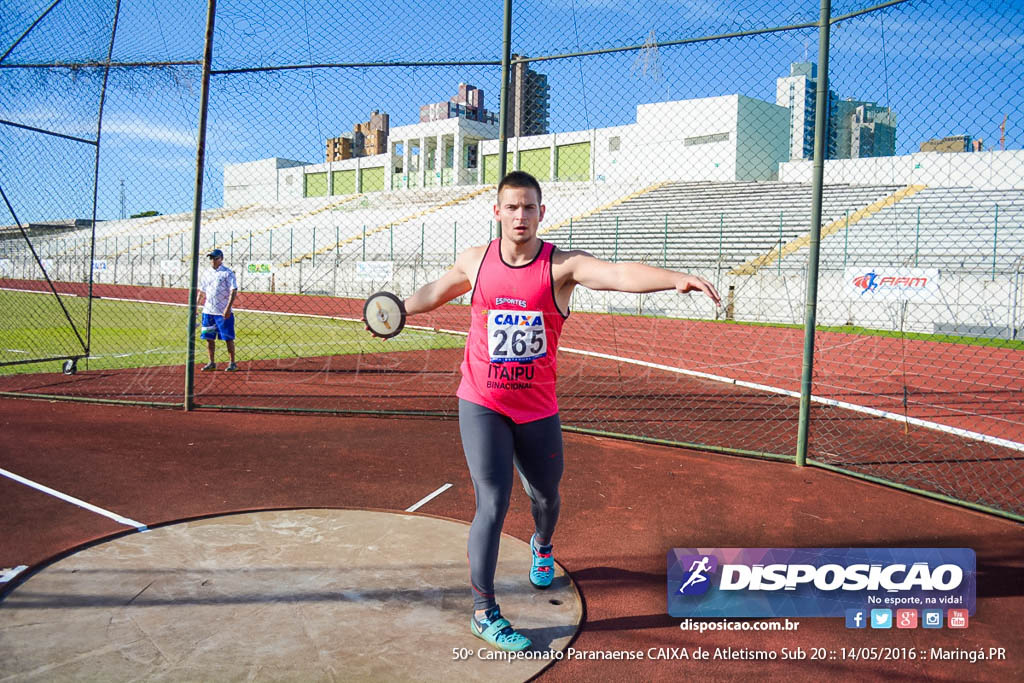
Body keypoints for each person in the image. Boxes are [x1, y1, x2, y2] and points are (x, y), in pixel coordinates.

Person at [393, 171, 720, 651]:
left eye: (529, 208)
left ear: (541, 213)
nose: (520, 216)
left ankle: (542, 546)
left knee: (545, 495)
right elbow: (436, 292)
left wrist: (675, 280)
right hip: (482, 401)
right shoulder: (475, 261)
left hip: (537, 408)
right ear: (497, 212)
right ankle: (485, 612)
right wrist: (397, 309)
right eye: (511, 207)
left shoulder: (560, 267)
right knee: (493, 500)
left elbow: (617, 274)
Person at [197, 248, 238, 372]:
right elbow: (202, 291)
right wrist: (196, 305)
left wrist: (227, 308)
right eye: (211, 258)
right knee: (209, 338)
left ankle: (232, 362)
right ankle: (211, 362)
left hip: (222, 312)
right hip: (208, 311)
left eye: (215, 258)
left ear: (221, 259)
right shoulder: (207, 273)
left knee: (228, 338)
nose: (213, 261)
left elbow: (233, 290)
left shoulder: (227, 273)